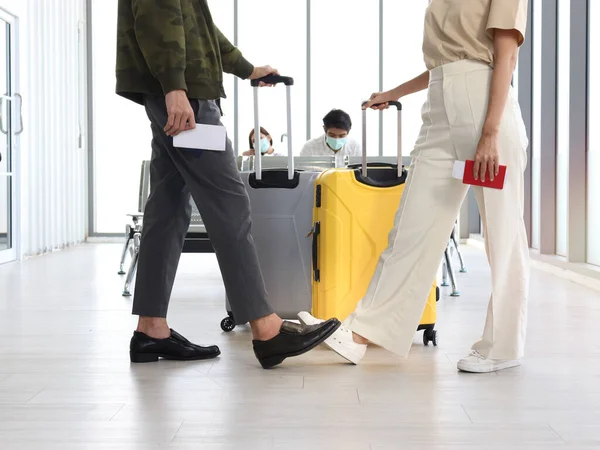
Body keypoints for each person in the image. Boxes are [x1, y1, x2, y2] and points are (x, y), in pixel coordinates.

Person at [299, 0, 530, 373]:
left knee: (503, 235)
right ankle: (362, 333)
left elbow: (504, 57)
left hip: (486, 108)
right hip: (439, 110)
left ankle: (503, 346)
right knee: (410, 228)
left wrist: (490, 132)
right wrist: (395, 92)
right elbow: (445, 64)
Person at [115, 0, 340, 369]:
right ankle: (267, 330)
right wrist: (175, 87)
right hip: (184, 95)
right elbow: (159, 15)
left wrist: (247, 69)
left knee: (168, 208)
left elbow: (200, 30)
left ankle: (151, 328)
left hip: (173, 91)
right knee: (230, 203)